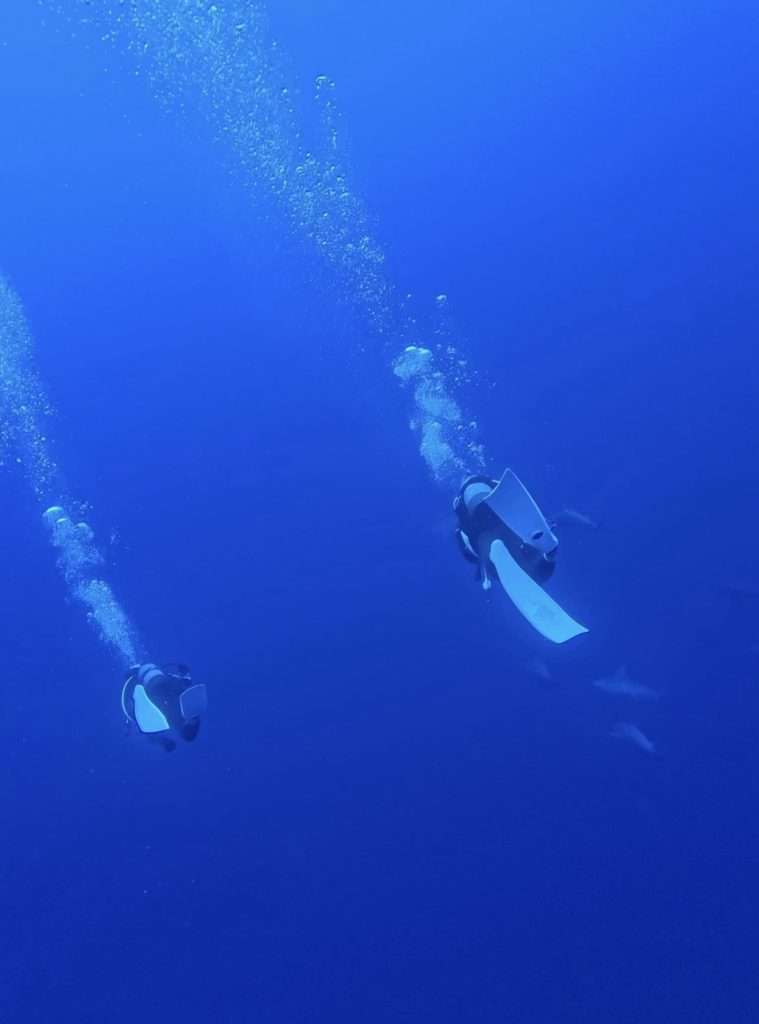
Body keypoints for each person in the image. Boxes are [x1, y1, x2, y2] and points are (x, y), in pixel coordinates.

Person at [453, 469, 588, 644]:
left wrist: (480, 564)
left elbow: (467, 549)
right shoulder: (488, 486)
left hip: (481, 533)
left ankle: (545, 556)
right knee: (534, 566)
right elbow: (524, 509)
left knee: (528, 571)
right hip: (501, 524)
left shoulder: (460, 506)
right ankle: (547, 555)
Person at [121, 663, 207, 752]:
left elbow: (184, 685)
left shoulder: (175, 714)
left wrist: (163, 742)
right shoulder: (172, 717)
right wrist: (163, 742)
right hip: (156, 688)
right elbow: (147, 729)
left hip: (157, 687)